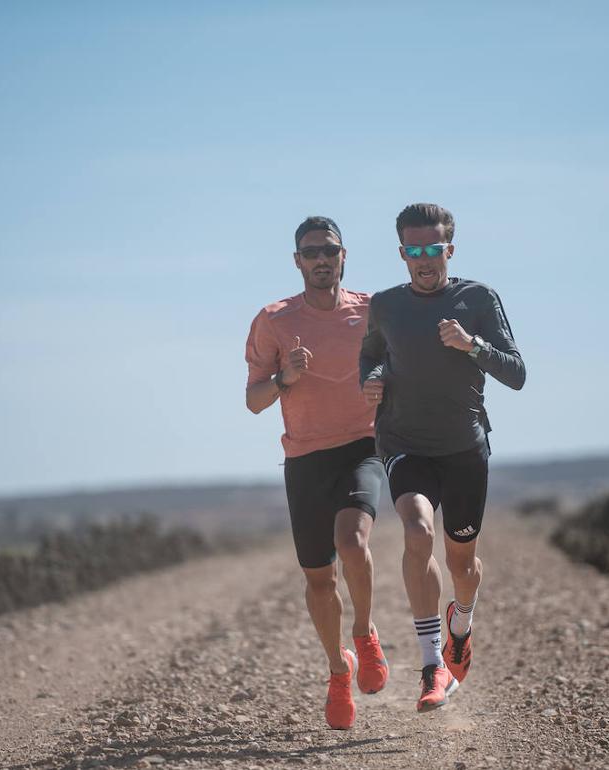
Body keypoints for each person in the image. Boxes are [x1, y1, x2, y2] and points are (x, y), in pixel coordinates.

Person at [359, 202, 525, 712]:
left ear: (449, 249)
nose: (424, 258)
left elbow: (516, 373)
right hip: (405, 443)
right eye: (414, 249)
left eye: (433, 248)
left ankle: (462, 624)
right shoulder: (385, 305)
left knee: (463, 563)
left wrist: (472, 345)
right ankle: (432, 668)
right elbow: (369, 357)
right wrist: (371, 380)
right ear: (402, 253)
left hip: (465, 448)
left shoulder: (477, 298)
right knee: (417, 532)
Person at [244, 216, 390, 730]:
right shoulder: (275, 319)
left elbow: (403, 368)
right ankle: (337, 671)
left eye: (329, 249)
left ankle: (366, 636)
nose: (321, 258)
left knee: (353, 543)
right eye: (311, 252)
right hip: (305, 458)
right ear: (297, 261)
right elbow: (254, 401)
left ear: (343, 254)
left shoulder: (373, 311)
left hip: (362, 446)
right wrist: (286, 377)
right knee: (319, 578)